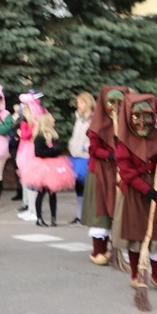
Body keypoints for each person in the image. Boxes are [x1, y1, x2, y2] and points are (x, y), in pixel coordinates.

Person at [116, 94, 157, 292]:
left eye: (147, 117)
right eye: (137, 117)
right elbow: (126, 171)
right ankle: (136, 274)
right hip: (135, 191)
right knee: (135, 232)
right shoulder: (124, 143)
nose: (142, 122)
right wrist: (145, 189)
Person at [81, 86, 129, 265]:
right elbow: (93, 148)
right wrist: (109, 155)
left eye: (119, 102)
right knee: (99, 208)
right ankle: (98, 249)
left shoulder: (128, 122)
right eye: (112, 102)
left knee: (116, 208)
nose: (115, 106)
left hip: (119, 172)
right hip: (100, 171)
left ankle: (113, 247)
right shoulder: (98, 121)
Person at [24, 112, 76, 226]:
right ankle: (39, 219)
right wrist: (53, 151)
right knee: (41, 193)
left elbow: (59, 149)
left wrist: (56, 150)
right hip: (42, 168)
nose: (54, 121)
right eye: (52, 119)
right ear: (46, 122)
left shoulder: (54, 135)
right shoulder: (39, 137)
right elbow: (38, 153)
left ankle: (53, 219)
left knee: (53, 193)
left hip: (53, 166)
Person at [67, 91, 93, 224]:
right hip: (76, 155)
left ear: (86, 103)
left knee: (87, 185)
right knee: (78, 187)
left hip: (86, 156)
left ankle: (88, 215)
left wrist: (86, 147)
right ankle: (79, 214)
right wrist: (71, 145)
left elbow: (91, 137)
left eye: (80, 103)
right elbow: (75, 135)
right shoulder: (79, 118)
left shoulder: (92, 119)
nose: (78, 105)